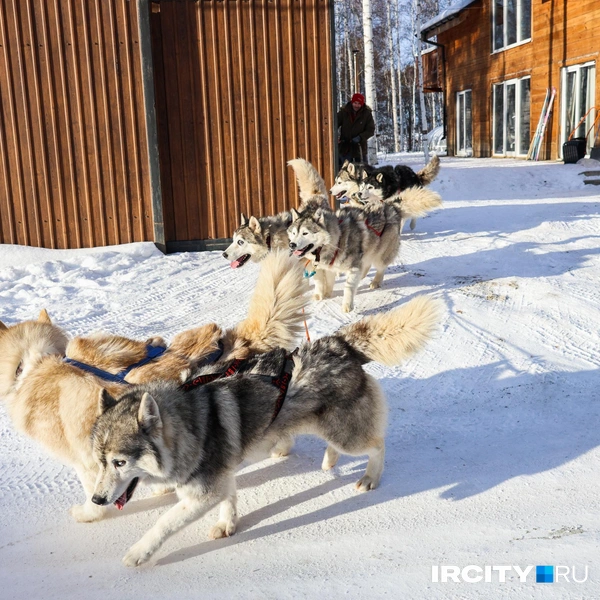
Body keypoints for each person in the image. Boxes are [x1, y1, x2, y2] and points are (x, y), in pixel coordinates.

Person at [337, 93, 375, 166]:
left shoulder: (367, 114)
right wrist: (335, 137)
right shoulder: (344, 111)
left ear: (362, 104)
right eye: (355, 103)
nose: (356, 105)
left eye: (359, 104)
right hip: (344, 148)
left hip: (359, 148)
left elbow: (370, 130)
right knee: (343, 171)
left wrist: (360, 137)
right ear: (352, 102)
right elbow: (334, 124)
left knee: (362, 172)